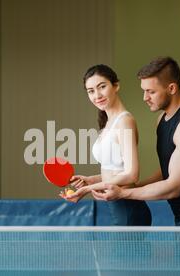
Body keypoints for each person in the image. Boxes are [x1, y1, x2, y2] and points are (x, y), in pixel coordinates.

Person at [90, 57, 180, 226]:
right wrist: (131, 186)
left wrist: (123, 194)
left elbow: (173, 187)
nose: (145, 98)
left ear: (171, 88)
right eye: (144, 91)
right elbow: (167, 171)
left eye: (151, 92)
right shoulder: (162, 119)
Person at [61, 64, 152, 226]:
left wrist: (88, 189)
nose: (97, 95)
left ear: (116, 85)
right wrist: (91, 180)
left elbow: (132, 175)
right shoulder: (108, 123)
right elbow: (116, 170)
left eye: (102, 87)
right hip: (116, 206)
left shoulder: (125, 121)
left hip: (128, 209)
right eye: (91, 91)